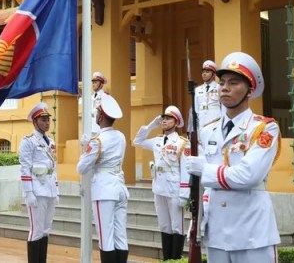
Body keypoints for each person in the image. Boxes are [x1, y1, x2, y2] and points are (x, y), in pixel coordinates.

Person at [186, 52, 282, 263]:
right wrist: (195, 219)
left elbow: (249, 175)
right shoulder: (207, 130)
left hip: (252, 231)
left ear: (249, 90)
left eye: (234, 82)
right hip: (217, 230)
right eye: (222, 83)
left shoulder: (264, 128)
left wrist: (205, 170)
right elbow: (196, 180)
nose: (225, 88)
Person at [77, 93, 129, 263]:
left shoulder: (97, 141)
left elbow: (82, 167)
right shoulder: (120, 136)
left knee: (106, 238)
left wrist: (86, 148)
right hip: (120, 187)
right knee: (120, 236)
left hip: (104, 189)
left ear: (100, 116)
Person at [133, 105, 190, 261]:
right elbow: (137, 141)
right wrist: (152, 124)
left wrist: (185, 193)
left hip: (174, 189)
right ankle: (166, 259)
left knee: (177, 226)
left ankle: (176, 259)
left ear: (176, 121)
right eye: (163, 118)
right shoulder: (157, 141)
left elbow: (185, 169)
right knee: (164, 225)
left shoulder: (182, 143)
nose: (164, 121)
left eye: (168, 118)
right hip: (159, 188)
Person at [19, 102, 59, 263]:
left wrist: (57, 190)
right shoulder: (28, 141)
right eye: (43, 120)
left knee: (45, 230)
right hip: (36, 190)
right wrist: (28, 192)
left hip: (49, 190)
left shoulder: (51, 141)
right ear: (35, 122)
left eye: (48, 120)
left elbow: (53, 167)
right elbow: (25, 168)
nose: (47, 123)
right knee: (36, 231)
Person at [194, 60, 221, 130]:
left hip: (216, 123)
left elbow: (224, 107)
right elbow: (197, 109)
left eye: (207, 72)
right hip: (202, 124)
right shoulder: (198, 90)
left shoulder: (219, 88)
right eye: (203, 72)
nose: (204, 74)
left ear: (214, 75)